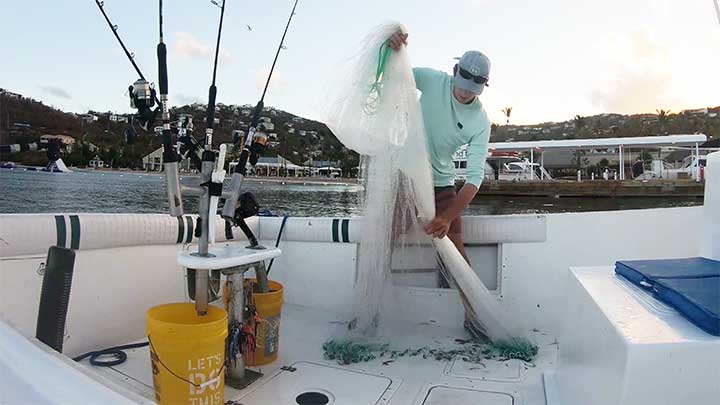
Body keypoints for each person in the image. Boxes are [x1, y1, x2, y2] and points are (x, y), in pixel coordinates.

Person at [387, 30, 492, 262]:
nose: (465, 92)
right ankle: (374, 290)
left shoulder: (481, 122)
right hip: (408, 174)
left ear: (484, 85)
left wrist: (447, 217)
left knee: (454, 236)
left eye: (473, 88)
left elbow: (474, 178)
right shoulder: (433, 80)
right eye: (462, 83)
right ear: (455, 71)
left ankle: (462, 296)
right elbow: (396, 75)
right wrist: (394, 50)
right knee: (390, 230)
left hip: (442, 182)